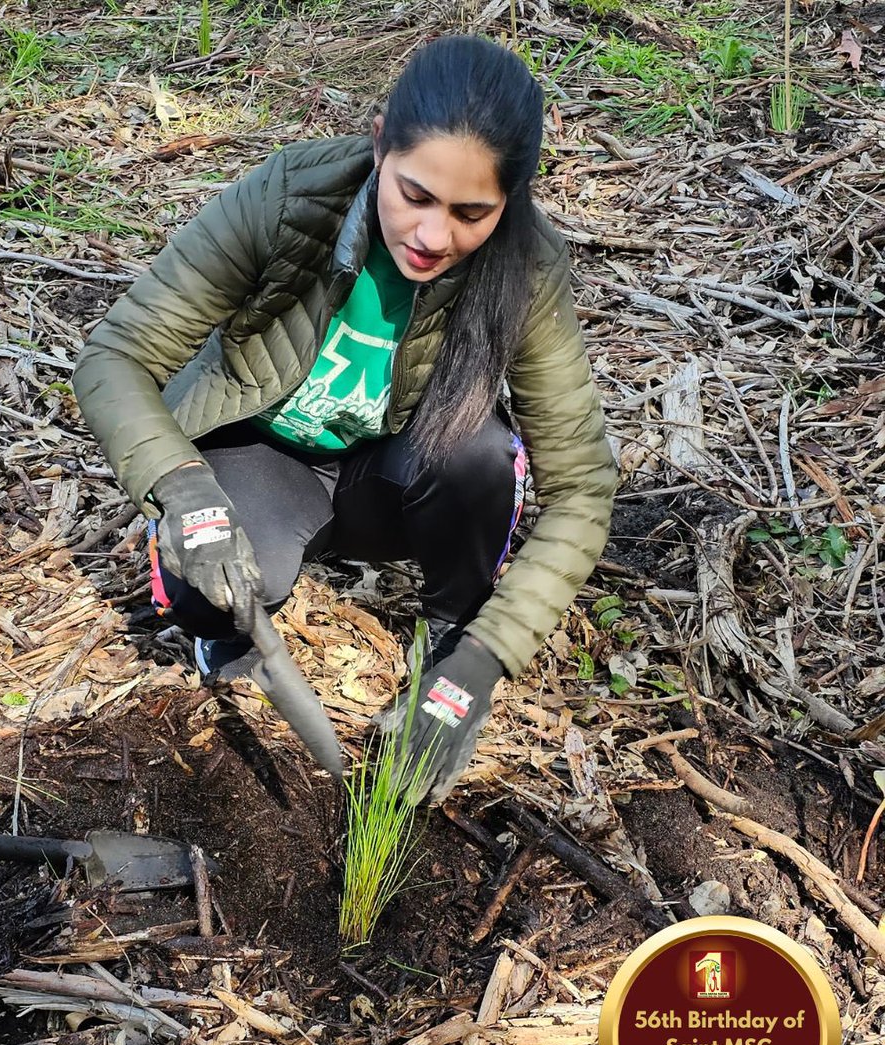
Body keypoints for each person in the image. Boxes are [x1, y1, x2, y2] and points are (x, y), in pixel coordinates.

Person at [72, 34, 617, 802]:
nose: (433, 236)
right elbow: (115, 356)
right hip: (265, 455)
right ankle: (225, 632)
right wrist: (184, 488)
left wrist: (483, 662)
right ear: (379, 145)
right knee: (216, 583)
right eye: (414, 196)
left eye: (471, 213)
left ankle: (449, 641)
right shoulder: (291, 199)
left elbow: (582, 486)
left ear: (511, 201)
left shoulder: (525, 267)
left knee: (483, 457)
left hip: (390, 472)